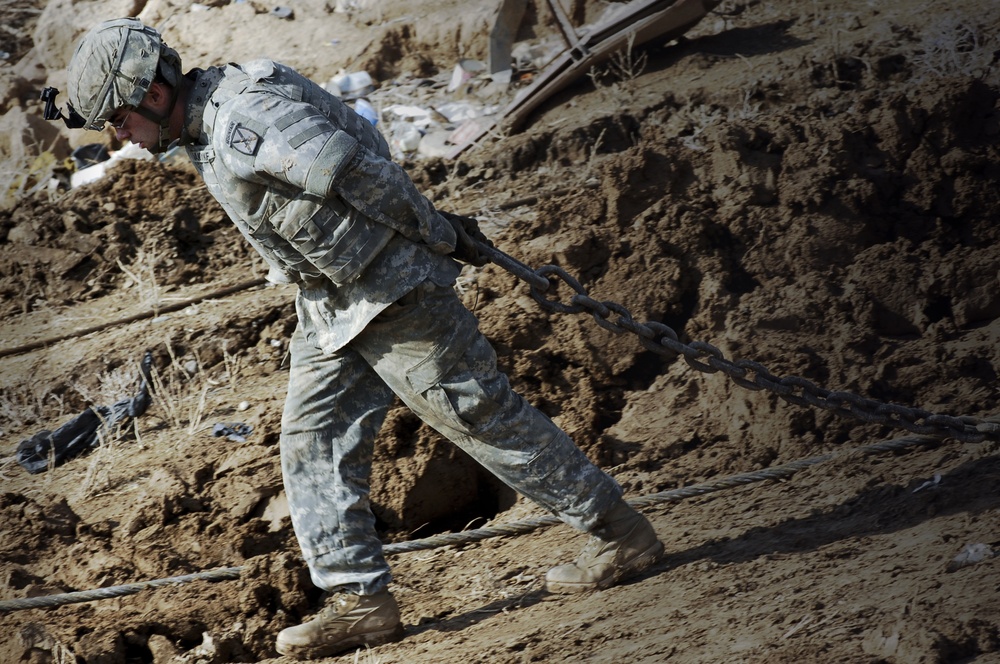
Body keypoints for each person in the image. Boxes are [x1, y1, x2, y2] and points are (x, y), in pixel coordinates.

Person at [50, 17, 665, 660]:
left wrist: (436, 231)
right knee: (312, 435)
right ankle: (361, 603)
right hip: (334, 303)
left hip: (393, 291)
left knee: (478, 416)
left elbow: (360, 170)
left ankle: (619, 533)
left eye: (118, 120)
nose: (119, 138)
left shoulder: (244, 119)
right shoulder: (206, 123)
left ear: (152, 94)